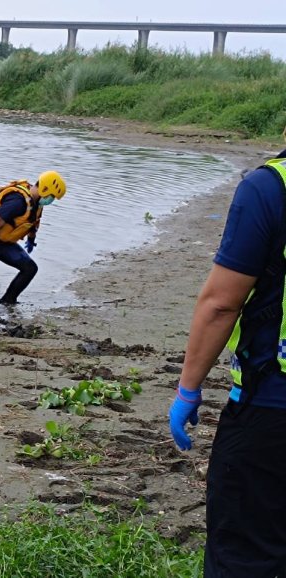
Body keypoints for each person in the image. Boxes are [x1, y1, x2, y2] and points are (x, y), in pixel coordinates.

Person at [168, 149, 286, 577]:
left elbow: (221, 304)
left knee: (244, 554)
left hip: (271, 410)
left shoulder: (269, 188)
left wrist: (188, 389)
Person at [0, 171, 66, 305]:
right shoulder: (17, 201)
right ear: (45, 189)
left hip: (5, 244)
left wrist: (31, 240)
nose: (51, 200)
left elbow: (33, 222)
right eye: (52, 196)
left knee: (30, 268)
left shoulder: (36, 203)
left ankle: (8, 300)